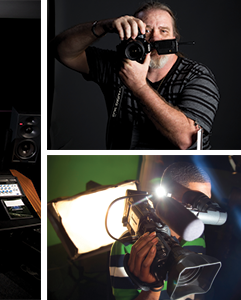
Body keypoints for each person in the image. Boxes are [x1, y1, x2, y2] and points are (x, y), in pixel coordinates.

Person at [52, 1, 219, 149]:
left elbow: (187, 140)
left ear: (174, 39)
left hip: (174, 168)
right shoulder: (118, 65)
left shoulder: (196, 76)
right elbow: (62, 51)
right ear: (130, 37)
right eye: (145, 31)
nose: (155, 38)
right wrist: (104, 26)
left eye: (163, 31)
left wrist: (139, 86)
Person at [109, 161, 210, 300]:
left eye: (206, 205)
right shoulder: (125, 247)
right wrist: (153, 288)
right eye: (196, 203)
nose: (202, 215)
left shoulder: (197, 236)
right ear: (169, 198)